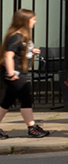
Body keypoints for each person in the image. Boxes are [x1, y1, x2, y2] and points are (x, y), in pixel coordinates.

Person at [1, 9, 49, 139]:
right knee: (27, 99)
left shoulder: (22, 36)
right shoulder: (16, 36)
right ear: (25, 21)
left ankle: (32, 128)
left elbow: (20, 51)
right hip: (15, 74)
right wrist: (11, 73)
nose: (35, 21)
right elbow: (8, 55)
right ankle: (32, 128)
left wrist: (32, 51)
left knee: (7, 102)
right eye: (33, 19)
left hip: (18, 73)